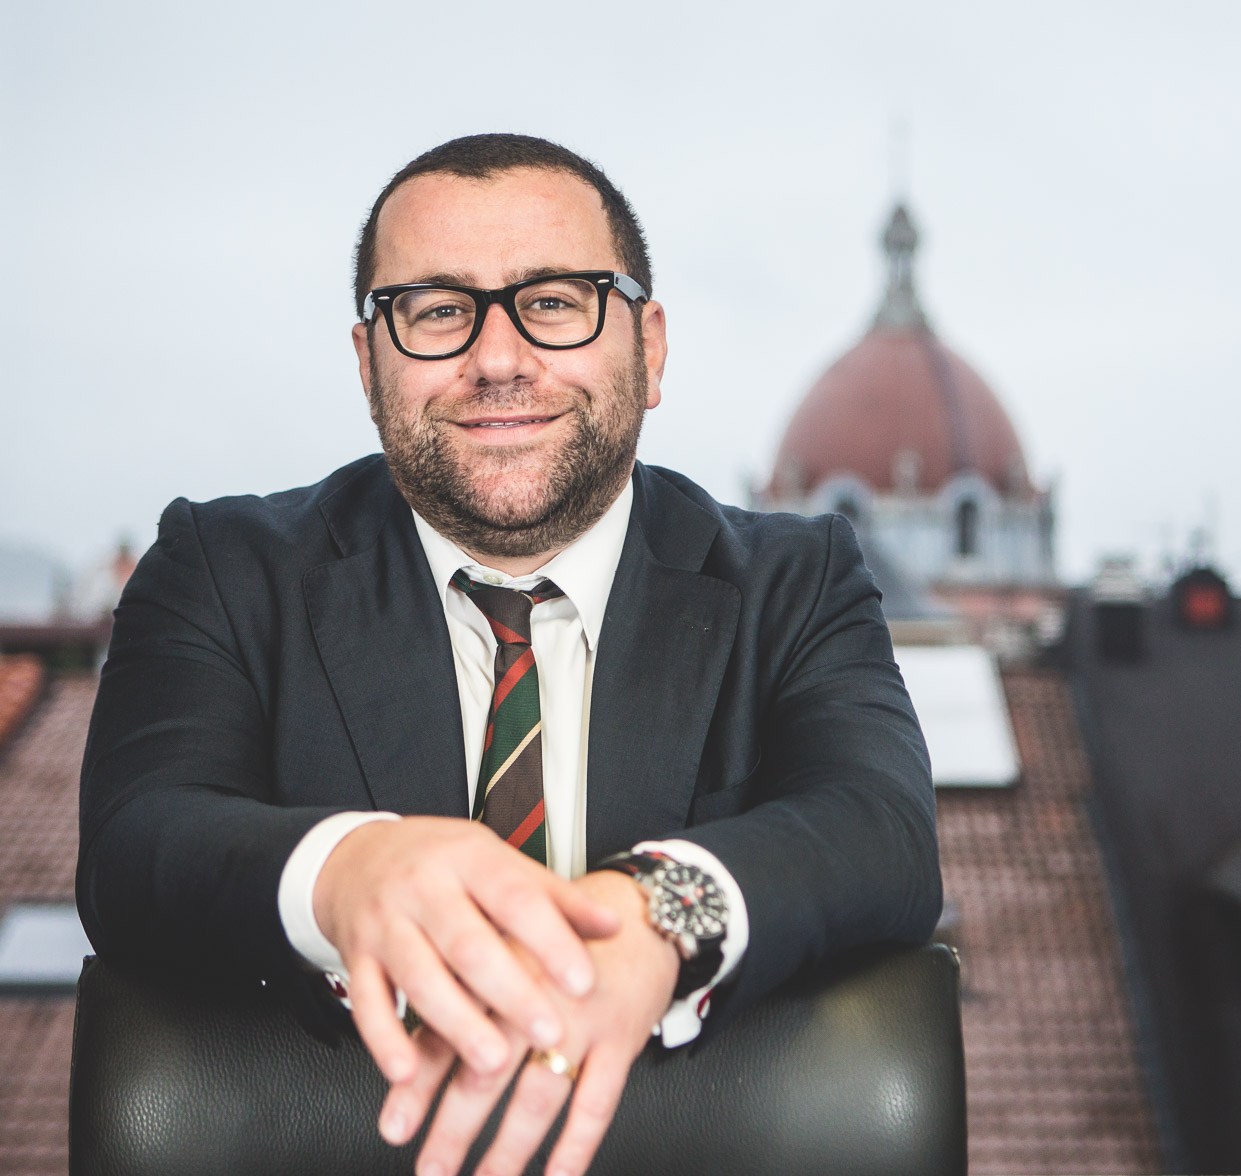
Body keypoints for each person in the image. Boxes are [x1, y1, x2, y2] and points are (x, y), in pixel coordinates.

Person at [77, 133, 941, 1176]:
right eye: (437, 310)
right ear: (368, 363)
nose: (497, 359)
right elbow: (135, 844)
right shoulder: (220, 568)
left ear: (650, 347)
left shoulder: (795, 580)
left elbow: (883, 829)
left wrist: (661, 910)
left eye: (556, 301)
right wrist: (347, 870)